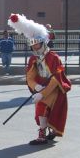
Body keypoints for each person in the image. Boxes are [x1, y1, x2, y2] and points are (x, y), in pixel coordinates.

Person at [8, 13, 71, 145]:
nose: (35, 47)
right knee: (40, 108)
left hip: (54, 89)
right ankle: (44, 132)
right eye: (33, 45)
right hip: (41, 87)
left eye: (37, 44)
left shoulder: (54, 58)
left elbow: (56, 79)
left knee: (44, 105)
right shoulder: (33, 59)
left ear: (43, 43)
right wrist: (36, 87)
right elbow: (30, 76)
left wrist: (43, 93)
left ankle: (46, 133)